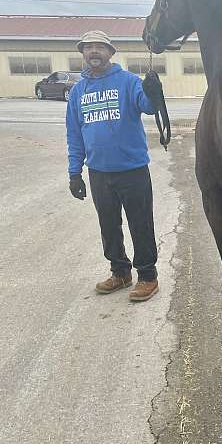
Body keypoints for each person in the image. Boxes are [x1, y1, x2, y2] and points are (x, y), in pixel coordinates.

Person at [66, 30, 164, 302]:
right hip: (99, 172)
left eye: (100, 47)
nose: (93, 52)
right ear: (83, 54)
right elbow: (74, 133)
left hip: (132, 169)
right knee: (108, 225)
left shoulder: (128, 82)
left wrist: (153, 92)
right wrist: (75, 172)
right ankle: (120, 271)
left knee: (140, 225)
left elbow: (147, 106)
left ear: (110, 53)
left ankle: (147, 276)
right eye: (88, 48)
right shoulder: (77, 92)